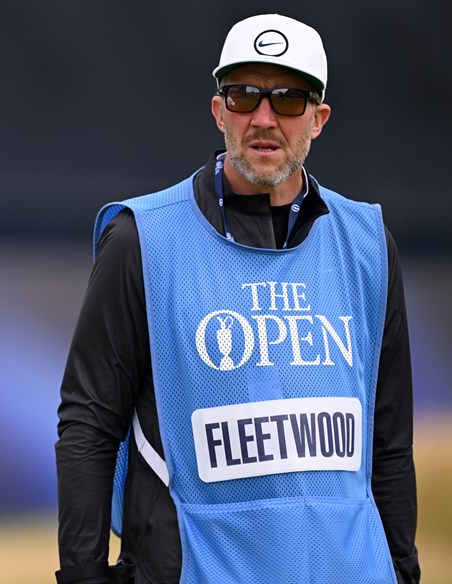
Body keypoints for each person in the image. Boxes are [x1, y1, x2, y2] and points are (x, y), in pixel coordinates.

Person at [56, 14, 419, 584]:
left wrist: (403, 570)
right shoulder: (140, 240)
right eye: (244, 95)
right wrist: (82, 575)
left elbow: (390, 442)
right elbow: (89, 425)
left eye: (289, 100)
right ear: (219, 110)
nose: (264, 118)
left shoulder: (368, 244)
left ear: (319, 119)